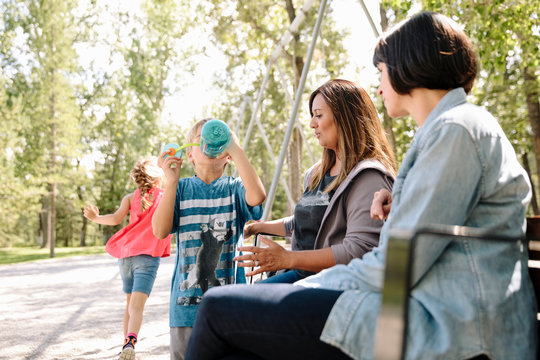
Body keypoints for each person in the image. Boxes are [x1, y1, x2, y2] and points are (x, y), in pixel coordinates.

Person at [184, 11, 537, 360]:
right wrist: (401, 200)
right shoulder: (447, 132)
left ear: (407, 67)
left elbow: (401, 263)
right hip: (419, 308)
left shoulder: (456, 131)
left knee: (217, 307)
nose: (379, 85)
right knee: (236, 344)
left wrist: (305, 284)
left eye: (381, 71)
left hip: (446, 326)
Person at [236, 79, 395, 283]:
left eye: (319, 115)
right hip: (300, 274)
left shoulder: (368, 177)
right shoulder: (316, 174)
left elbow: (358, 250)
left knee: (234, 303)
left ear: (345, 118)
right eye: (312, 116)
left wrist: (287, 259)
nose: (312, 124)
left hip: (328, 282)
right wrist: (258, 227)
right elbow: (303, 222)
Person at [152, 119, 266, 360]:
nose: (209, 142)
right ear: (189, 155)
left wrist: (234, 147)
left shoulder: (235, 189)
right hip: (186, 310)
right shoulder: (180, 190)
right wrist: (170, 182)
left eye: (217, 139)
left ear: (228, 156)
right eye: (200, 138)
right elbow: (160, 231)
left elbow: (257, 196)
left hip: (231, 308)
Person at [83, 156, 172, 360]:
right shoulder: (165, 195)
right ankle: (130, 341)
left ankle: (126, 347)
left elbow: (115, 219)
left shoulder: (130, 198)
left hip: (126, 257)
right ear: (158, 177)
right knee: (137, 307)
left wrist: (95, 218)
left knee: (130, 305)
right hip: (147, 257)